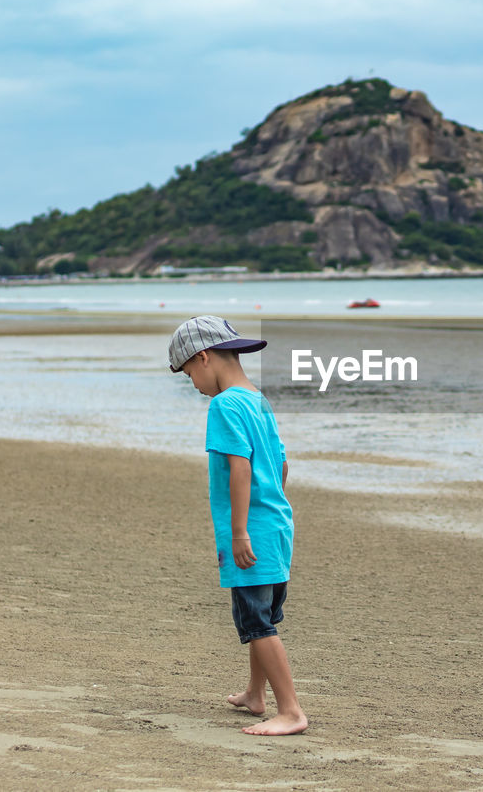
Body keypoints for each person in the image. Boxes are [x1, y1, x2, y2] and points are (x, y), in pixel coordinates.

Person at [168, 315, 309, 736]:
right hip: (278, 525)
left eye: (189, 372)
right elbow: (281, 464)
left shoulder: (224, 404)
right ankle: (255, 693)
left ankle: (291, 711)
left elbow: (240, 469)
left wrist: (241, 530)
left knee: (255, 623)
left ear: (204, 357)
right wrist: (269, 511)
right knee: (263, 614)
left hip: (251, 532)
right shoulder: (257, 400)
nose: (193, 382)